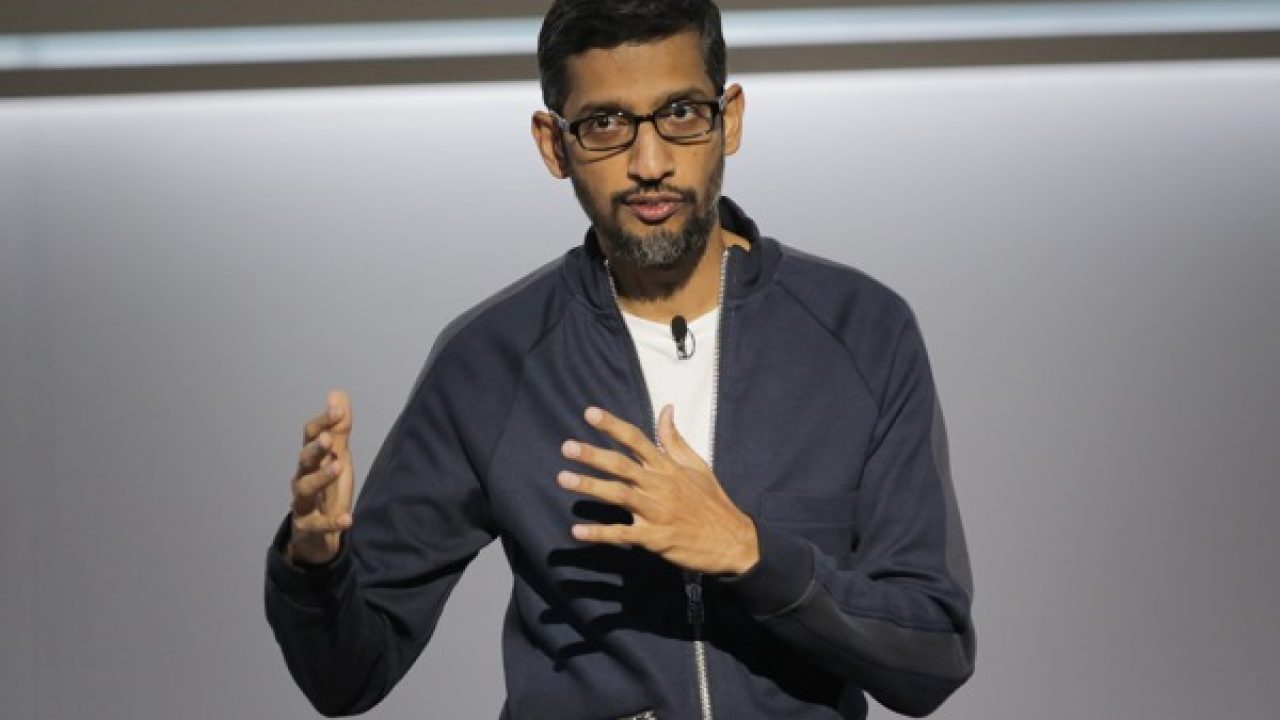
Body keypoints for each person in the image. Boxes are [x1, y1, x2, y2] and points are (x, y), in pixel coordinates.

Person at [264, 1, 975, 718]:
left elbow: (931, 656)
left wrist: (749, 552)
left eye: (681, 114)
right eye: (606, 124)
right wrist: (315, 565)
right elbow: (347, 678)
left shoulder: (861, 333)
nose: (650, 163)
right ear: (554, 145)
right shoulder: (491, 362)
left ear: (728, 120)